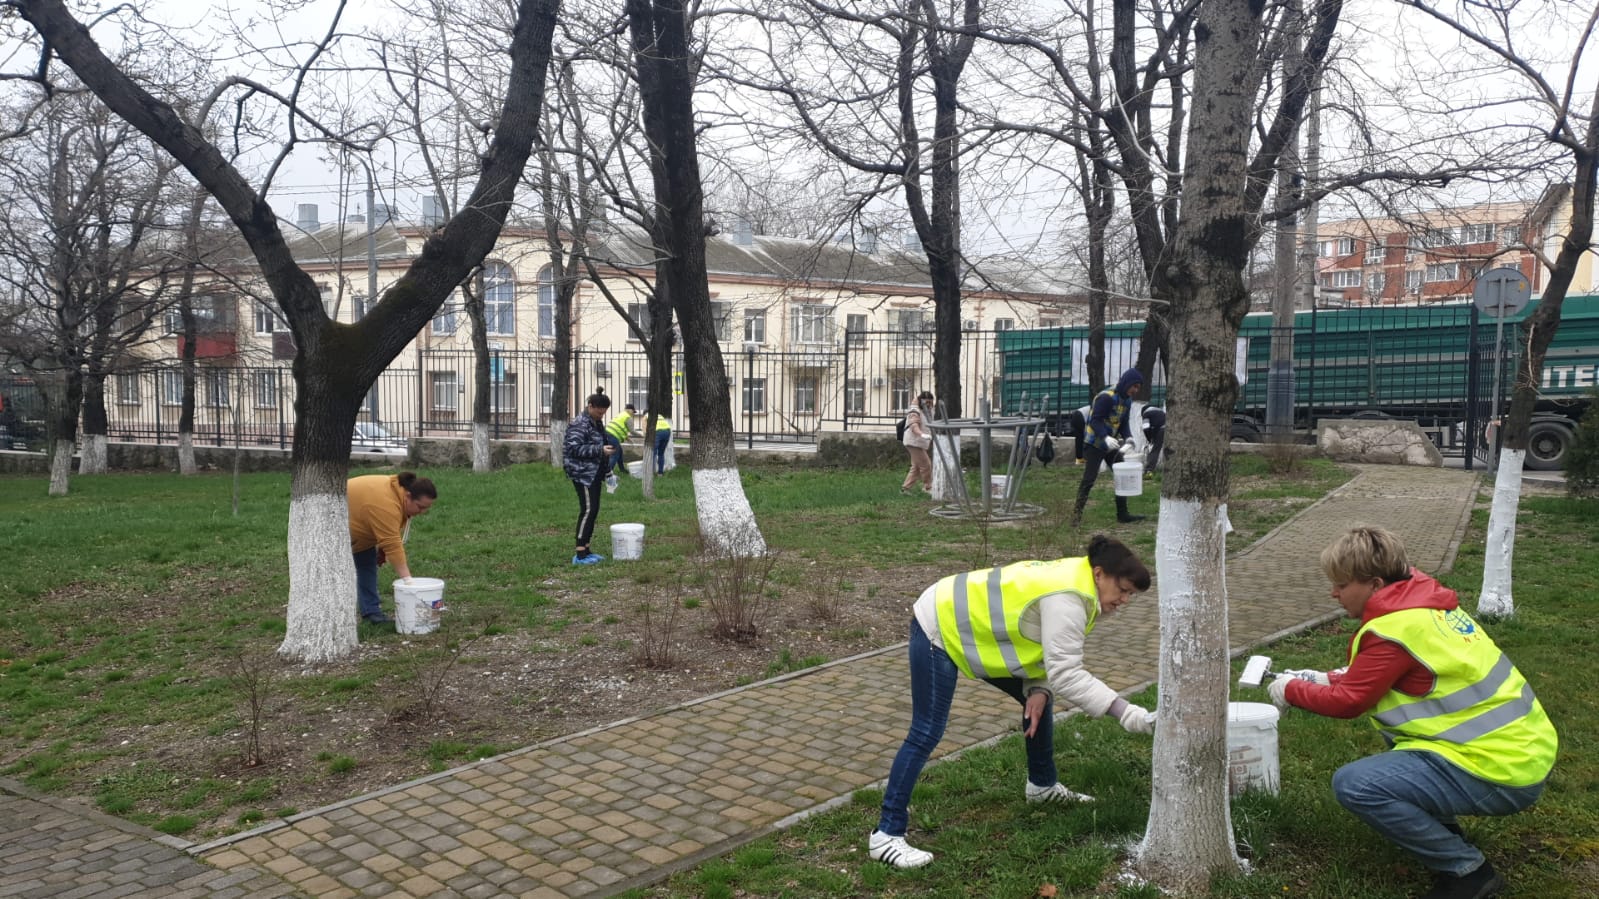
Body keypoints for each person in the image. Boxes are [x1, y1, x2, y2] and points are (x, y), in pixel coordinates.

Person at [1267, 526, 1556, 899]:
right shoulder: (1424, 607)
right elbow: (1396, 677)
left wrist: (1290, 690)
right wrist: (1324, 677)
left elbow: (1349, 702)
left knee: (1356, 785)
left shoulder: (1394, 631)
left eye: (1341, 584)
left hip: (1501, 771)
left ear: (1373, 584)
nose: (1333, 593)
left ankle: (1467, 870)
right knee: (1396, 739)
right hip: (1521, 752)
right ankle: (1442, 828)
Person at [868, 535, 1157, 869]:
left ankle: (1042, 786)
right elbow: (1066, 673)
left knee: (1040, 699)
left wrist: (1037, 687)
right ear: (1099, 574)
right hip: (941, 625)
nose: (1124, 601)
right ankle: (886, 834)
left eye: (1130, 596)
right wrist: (1127, 713)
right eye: (1122, 590)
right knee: (927, 730)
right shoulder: (1069, 596)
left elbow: (1041, 645)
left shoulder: (1078, 581)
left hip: (971, 629)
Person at [347, 471, 437, 625]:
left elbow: (388, 532)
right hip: (332, 530)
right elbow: (392, 544)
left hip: (360, 530)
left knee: (367, 567)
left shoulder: (397, 492)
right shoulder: (385, 504)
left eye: (426, 509)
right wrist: (409, 582)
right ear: (408, 496)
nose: (422, 513)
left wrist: (381, 545)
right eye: (420, 507)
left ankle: (371, 613)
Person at [1072, 368, 1146, 526]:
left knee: (1122, 476)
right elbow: (1095, 420)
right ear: (1127, 383)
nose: (1136, 390)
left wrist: (1128, 437)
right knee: (1089, 479)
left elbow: (1123, 422)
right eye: (1135, 386)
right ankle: (1075, 517)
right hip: (1094, 443)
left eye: (1138, 388)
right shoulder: (1106, 397)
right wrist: (1105, 436)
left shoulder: (1127, 400)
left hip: (1110, 444)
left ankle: (1123, 514)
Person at [564, 391, 617, 565]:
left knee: (593, 510)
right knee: (588, 510)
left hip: (594, 472)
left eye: (604, 412)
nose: (601, 415)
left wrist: (608, 472)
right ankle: (580, 553)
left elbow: (602, 446)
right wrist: (599, 450)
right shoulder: (580, 424)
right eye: (599, 412)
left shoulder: (596, 423)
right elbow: (574, 449)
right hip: (582, 473)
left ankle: (587, 549)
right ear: (590, 406)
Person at [900, 391, 934, 495]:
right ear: (921, 401)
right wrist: (921, 434)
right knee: (926, 465)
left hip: (919, 442)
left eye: (930, 402)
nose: (928, 404)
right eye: (926, 402)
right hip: (913, 442)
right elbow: (913, 424)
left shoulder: (928, 410)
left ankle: (905, 489)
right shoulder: (915, 411)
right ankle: (928, 487)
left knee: (916, 467)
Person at [604, 403, 636, 476]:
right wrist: (643, 436)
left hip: (607, 433)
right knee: (614, 454)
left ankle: (622, 469)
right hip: (613, 435)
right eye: (633, 412)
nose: (633, 414)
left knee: (620, 452)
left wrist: (629, 440)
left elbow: (620, 429)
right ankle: (607, 473)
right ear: (630, 410)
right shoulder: (628, 417)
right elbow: (632, 431)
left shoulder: (621, 415)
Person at [647, 409, 672, 475]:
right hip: (667, 432)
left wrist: (646, 439)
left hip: (657, 432)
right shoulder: (660, 415)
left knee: (653, 453)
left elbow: (645, 430)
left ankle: (650, 473)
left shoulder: (646, 416)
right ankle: (660, 473)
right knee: (661, 453)